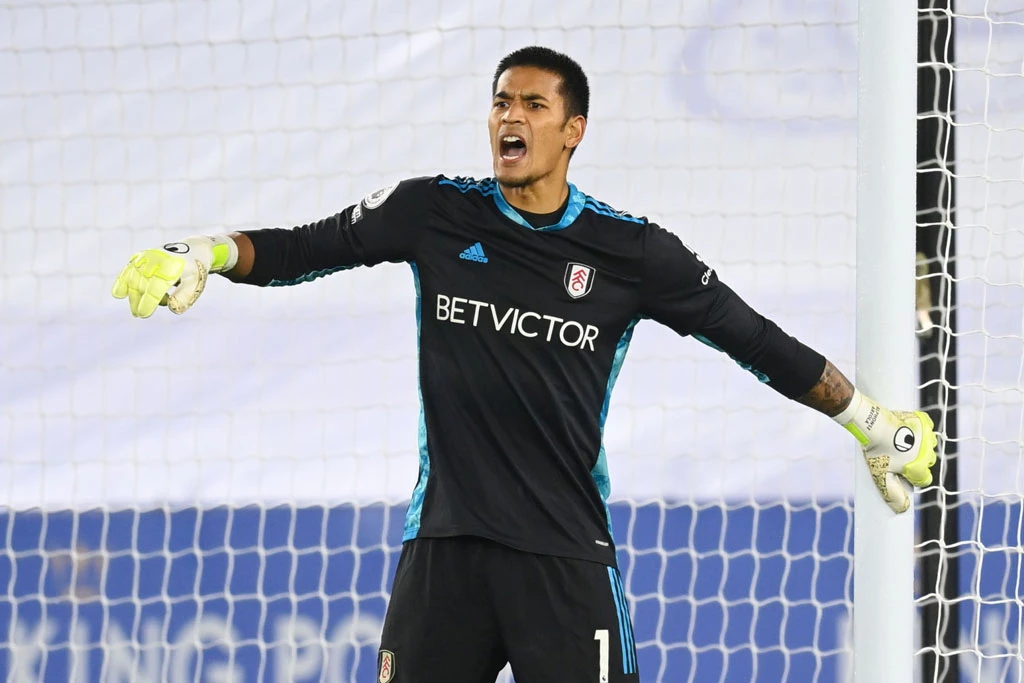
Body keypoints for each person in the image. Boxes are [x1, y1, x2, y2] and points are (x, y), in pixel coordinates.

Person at [112, 46, 937, 683]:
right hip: (445, 547)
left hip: (564, 556)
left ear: (572, 129)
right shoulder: (434, 211)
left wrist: (869, 420)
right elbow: (308, 247)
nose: (511, 117)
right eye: (501, 101)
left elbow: (754, 340)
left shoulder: (632, 252)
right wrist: (211, 251)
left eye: (533, 104)